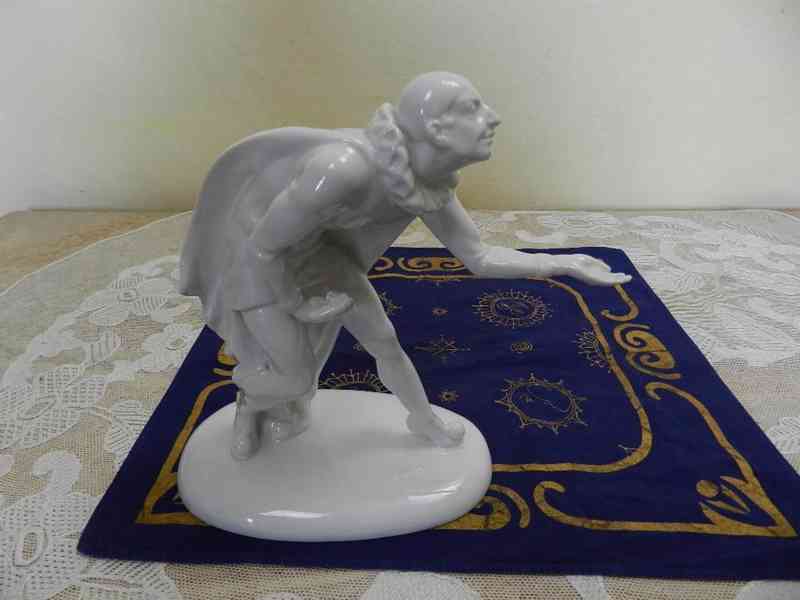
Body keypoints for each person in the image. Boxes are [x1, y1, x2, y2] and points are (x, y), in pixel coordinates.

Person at [179, 72, 631, 460]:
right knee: (294, 379)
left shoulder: (426, 184)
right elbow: (263, 249)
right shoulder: (342, 168)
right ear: (436, 129)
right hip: (258, 267)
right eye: (473, 108)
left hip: (319, 258)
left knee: (385, 341)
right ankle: (249, 401)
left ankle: (423, 419)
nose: (493, 118)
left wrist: (562, 263)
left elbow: (479, 256)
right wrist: (299, 307)